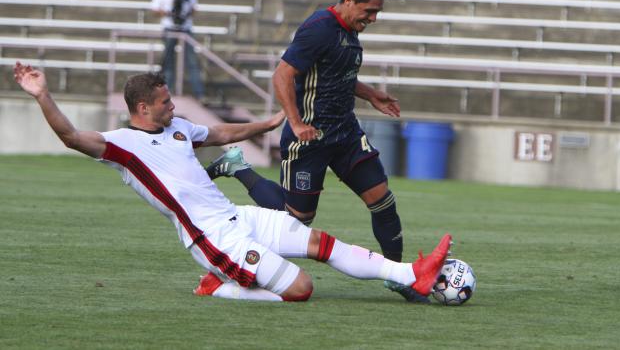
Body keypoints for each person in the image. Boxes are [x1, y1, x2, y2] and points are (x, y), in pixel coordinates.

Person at [13, 61, 451, 302]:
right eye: (164, 102)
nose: (172, 106)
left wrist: (272, 122)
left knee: (321, 243)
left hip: (235, 215)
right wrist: (42, 94)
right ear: (142, 107)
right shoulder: (122, 146)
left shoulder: (178, 128)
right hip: (209, 237)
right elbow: (71, 137)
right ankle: (219, 286)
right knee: (301, 289)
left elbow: (221, 133)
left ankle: (412, 274)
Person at [206, 0, 424, 301]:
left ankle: (399, 276)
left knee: (382, 201)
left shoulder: (350, 33)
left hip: (345, 133)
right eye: (369, 11)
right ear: (349, 0)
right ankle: (239, 168)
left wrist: (369, 94)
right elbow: (283, 73)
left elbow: (334, 75)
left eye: (377, 12)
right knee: (297, 222)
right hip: (308, 138)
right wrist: (295, 121)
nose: (373, 19)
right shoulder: (319, 27)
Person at [151, 0, 205, 99]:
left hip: (185, 29)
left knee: (192, 61)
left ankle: (199, 93)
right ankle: (167, 93)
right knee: (168, 62)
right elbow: (155, 9)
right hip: (169, 28)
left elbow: (194, 8)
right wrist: (169, 13)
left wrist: (185, 13)